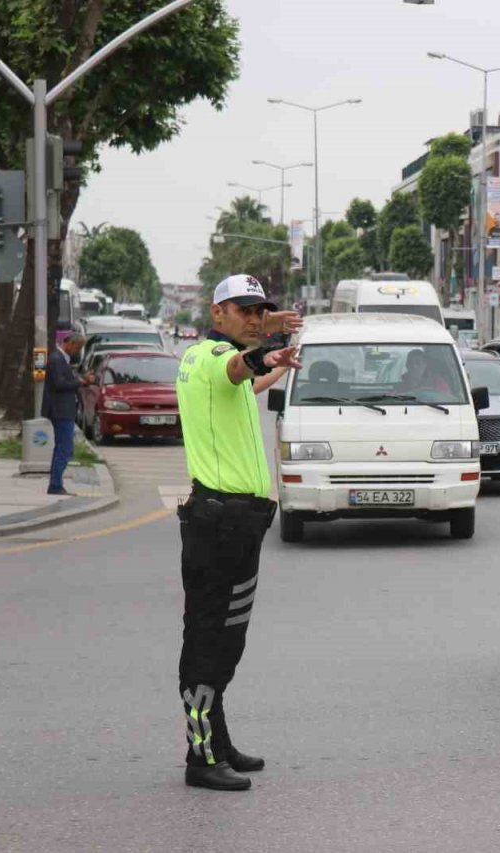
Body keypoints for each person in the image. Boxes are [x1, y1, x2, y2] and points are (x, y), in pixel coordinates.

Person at [174, 273, 302, 792]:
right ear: (216, 312)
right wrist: (262, 351)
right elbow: (235, 368)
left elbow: (245, 381)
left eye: (259, 310)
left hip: (235, 523)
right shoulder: (209, 358)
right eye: (242, 310)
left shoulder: (211, 371)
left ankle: (216, 743)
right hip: (220, 524)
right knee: (211, 644)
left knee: (225, 640)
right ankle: (201, 758)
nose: (252, 317)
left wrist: (274, 359)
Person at [42, 332, 89, 496]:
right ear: (68, 343)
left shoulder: (61, 359)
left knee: (62, 447)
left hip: (63, 410)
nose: (77, 351)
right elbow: (60, 384)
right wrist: (79, 382)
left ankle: (56, 483)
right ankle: (55, 485)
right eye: (77, 347)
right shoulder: (56, 359)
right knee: (65, 448)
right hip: (60, 410)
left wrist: (79, 380)